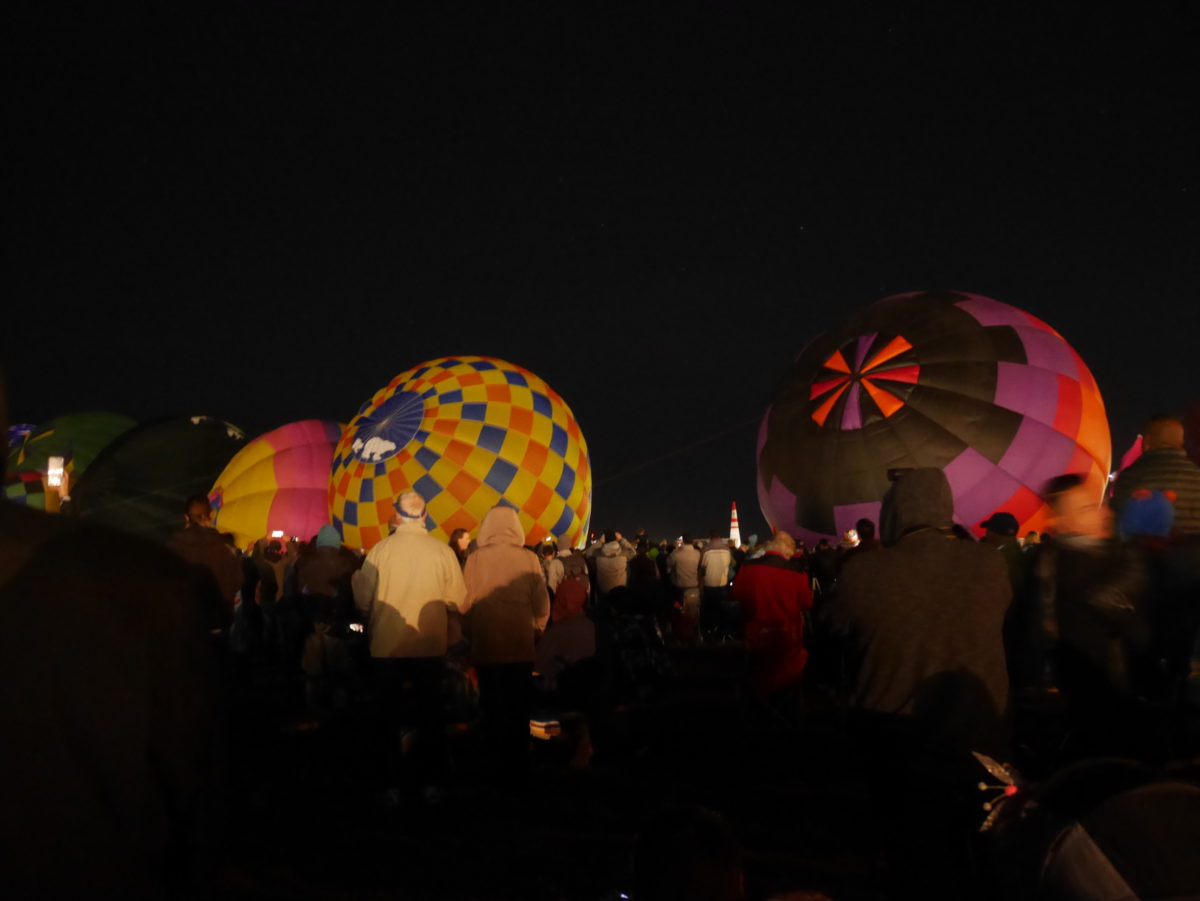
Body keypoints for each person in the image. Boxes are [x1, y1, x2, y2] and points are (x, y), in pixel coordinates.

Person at [830, 467, 1013, 899]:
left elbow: (832, 631)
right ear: (946, 509)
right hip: (980, 736)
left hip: (892, 739)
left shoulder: (865, 571)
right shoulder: (990, 564)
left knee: (906, 851)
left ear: (892, 514)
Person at [1010, 474, 1150, 766]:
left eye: (1097, 505)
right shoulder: (1062, 570)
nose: (1103, 512)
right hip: (1096, 697)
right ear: (1063, 522)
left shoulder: (1113, 555)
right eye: (1087, 509)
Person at [353, 491, 467, 802]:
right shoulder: (441, 552)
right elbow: (458, 599)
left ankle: (391, 783)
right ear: (425, 516)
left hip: (387, 647)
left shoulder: (379, 551)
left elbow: (362, 600)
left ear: (397, 516)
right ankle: (432, 782)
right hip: (430, 646)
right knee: (431, 716)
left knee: (387, 718)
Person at [461, 504, 551, 782]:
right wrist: (536, 629)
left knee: (490, 702)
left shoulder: (475, 559)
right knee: (518, 704)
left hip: (487, 644)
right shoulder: (528, 559)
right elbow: (541, 604)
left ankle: (492, 761)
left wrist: (471, 633)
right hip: (520, 644)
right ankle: (519, 762)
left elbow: (465, 603)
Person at [729, 531, 813, 706]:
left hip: (755, 638)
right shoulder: (797, 573)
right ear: (788, 551)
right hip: (787, 641)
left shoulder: (748, 567)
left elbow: (736, 594)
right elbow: (806, 603)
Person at [1112, 415, 1200, 536]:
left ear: (1147, 441)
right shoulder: (1197, 475)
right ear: (1181, 442)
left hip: (1144, 552)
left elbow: (1117, 523)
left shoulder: (1130, 476)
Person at [167, 493, 244, 622]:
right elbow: (238, 581)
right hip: (220, 620)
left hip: (187, 621)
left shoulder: (173, 547)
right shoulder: (226, 546)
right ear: (211, 514)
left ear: (186, 518)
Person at [699, 530, 733, 643]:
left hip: (709, 583)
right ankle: (722, 631)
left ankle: (709, 631)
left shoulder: (706, 549)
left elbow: (702, 566)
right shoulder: (727, 549)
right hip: (722, 583)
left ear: (710, 537)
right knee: (722, 608)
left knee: (709, 608)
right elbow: (729, 564)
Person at [667, 534, 701, 644]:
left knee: (679, 611)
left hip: (679, 588)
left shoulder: (676, 554)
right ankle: (693, 634)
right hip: (694, 587)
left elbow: (668, 565)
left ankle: (679, 634)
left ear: (683, 541)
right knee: (694, 613)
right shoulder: (698, 554)